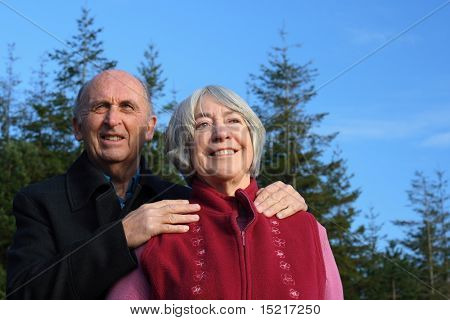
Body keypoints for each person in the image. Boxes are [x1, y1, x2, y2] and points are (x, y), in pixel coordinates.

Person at [6, 70, 308, 299]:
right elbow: (23, 296)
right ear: (77, 127)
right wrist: (121, 236)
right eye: (100, 107)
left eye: (127, 107)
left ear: (149, 128)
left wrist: (285, 203)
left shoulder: (184, 202)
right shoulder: (39, 201)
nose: (113, 119)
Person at [107, 85, 343, 299]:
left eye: (234, 121)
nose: (221, 133)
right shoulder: (156, 236)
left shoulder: (309, 228)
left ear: (252, 137)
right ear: (185, 149)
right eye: (203, 125)